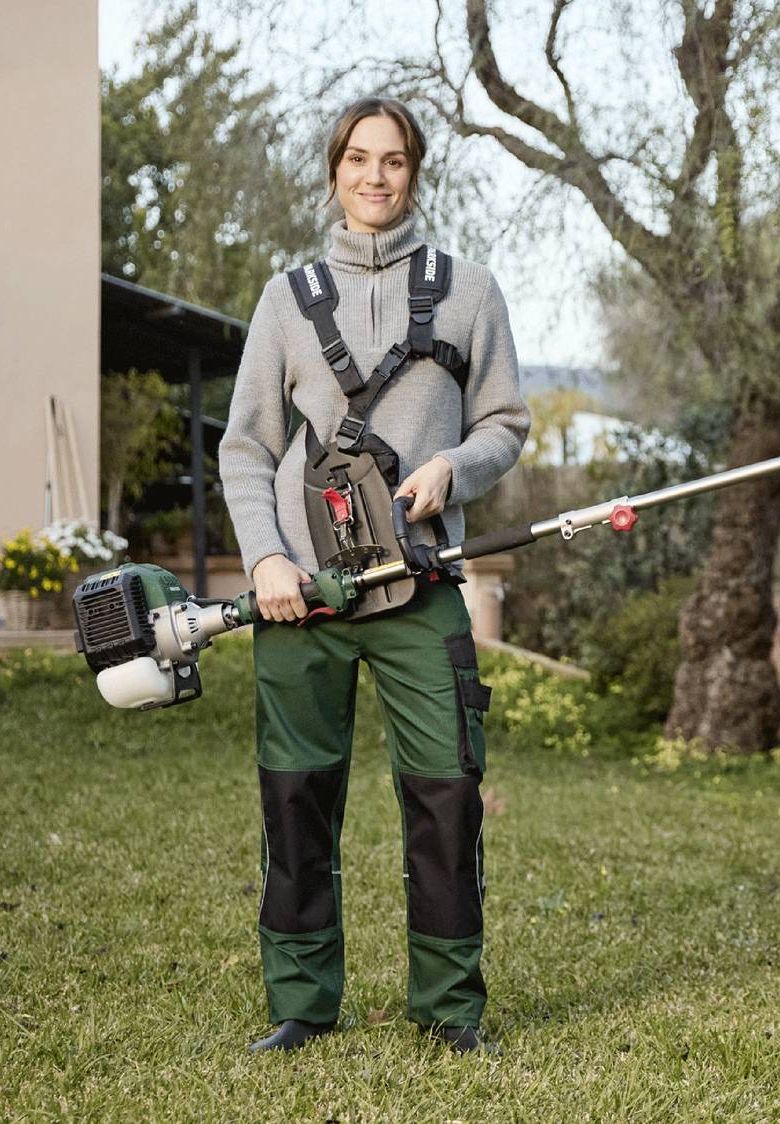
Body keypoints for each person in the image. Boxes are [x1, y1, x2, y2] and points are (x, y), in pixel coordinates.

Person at [219, 96, 529, 1056]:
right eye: (358, 159)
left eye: (393, 162)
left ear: (415, 174)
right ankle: (302, 1003)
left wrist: (456, 466)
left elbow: (506, 426)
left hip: (422, 589)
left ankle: (448, 1009)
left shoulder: (470, 290)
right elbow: (244, 446)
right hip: (300, 599)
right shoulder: (287, 298)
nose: (375, 177)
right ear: (334, 172)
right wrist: (267, 558)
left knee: (446, 796)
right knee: (297, 798)